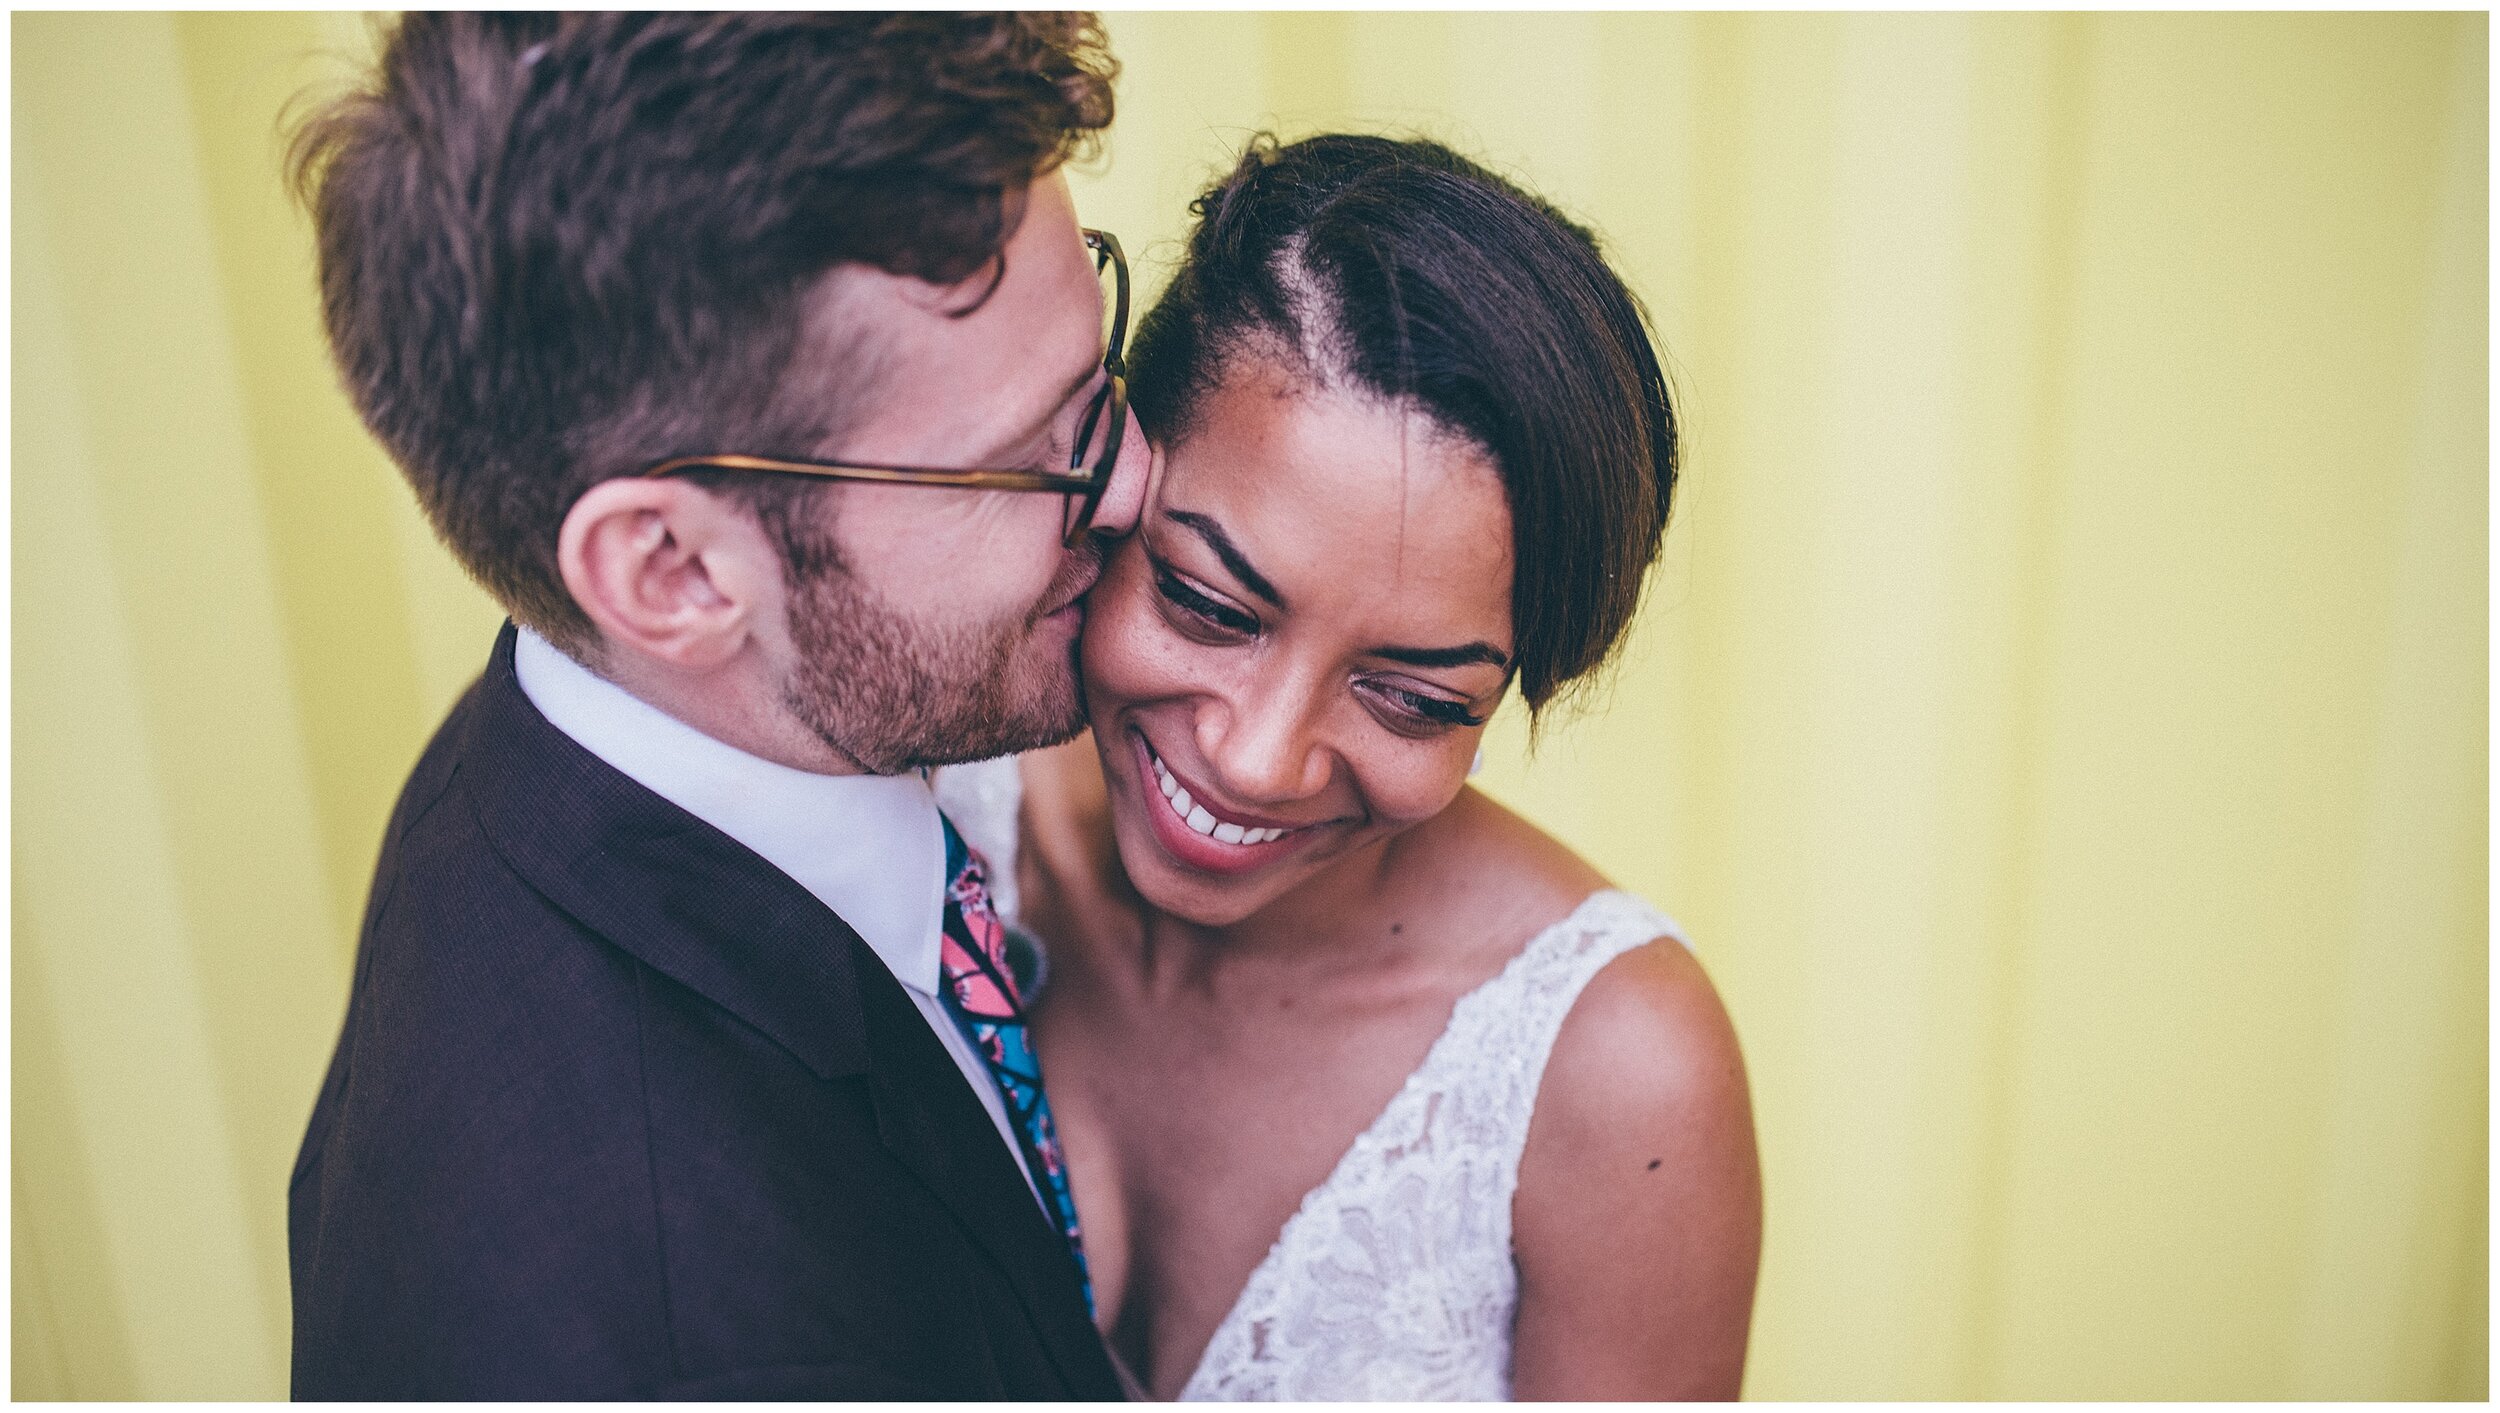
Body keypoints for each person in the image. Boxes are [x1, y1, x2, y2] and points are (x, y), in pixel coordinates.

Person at [285, 13, 1154, 1398]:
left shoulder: (565, 738)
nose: (1129, 484)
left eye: (1093, 376)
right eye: (1018, 461)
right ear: (673, 572)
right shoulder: (683, 1325)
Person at [935, 134, 1763, 1400]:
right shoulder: (921, 806)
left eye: (1414, 699)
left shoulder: (1614, 1076)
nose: (1257, 759)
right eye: (1211, 605)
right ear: (1114, 475)